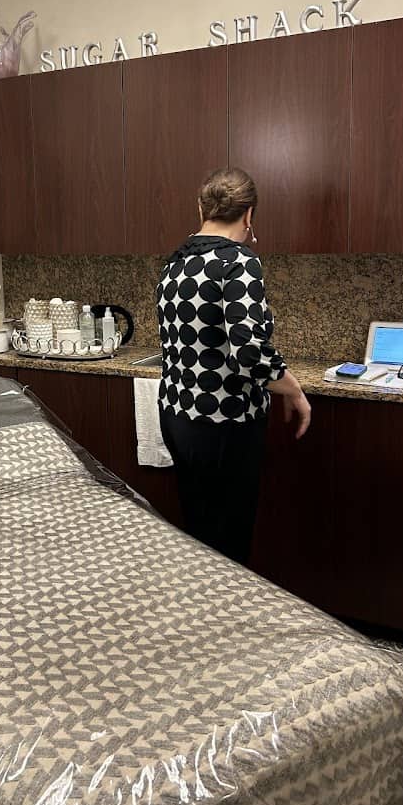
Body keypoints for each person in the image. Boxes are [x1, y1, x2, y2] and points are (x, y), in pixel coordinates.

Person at [156, 166, 311, 564]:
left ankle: (203, 599)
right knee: (230, 538)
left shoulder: (176, 262)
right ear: (249, 214)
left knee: (200, 531)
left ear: (201, 208)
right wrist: (294, 390)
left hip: (178, 415)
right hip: (224, 422)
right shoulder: (237, 261)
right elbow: (249, 352)